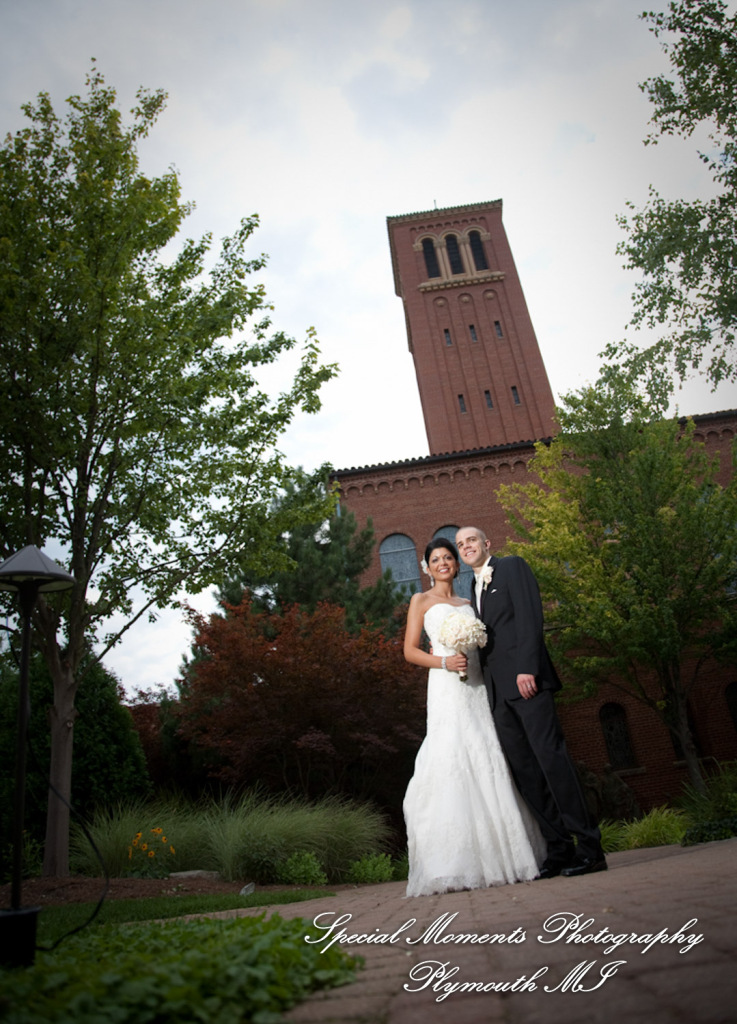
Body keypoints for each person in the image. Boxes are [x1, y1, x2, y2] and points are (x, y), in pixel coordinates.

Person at [455, 526, 606, 878]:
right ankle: (559, 849)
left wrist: (527, 668)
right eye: (461, 544)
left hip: (527, 682)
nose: (466, 547)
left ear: (486, 543)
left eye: (471, 540)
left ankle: (590, 847)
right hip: (497, 694)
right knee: (525, 771)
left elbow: (529, 617)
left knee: (552, 760)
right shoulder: (471, 588)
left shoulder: (512, 567)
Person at [402, 537, 545, 897]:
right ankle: (455, 861)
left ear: (456, 564)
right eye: (436, 559)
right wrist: (444, 661)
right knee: (453, 754)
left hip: (479, 686)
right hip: (447, 687)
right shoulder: (420, 601)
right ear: (427, 567)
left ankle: (510, 855)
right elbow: (409, 651)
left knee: (489, 752)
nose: (443, 563)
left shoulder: (469, 603)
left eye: (448, 558)